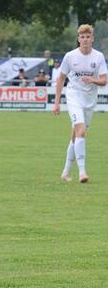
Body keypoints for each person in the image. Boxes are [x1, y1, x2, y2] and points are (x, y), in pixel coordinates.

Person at [54, 24, 107, 183]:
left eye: (88, 37)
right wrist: (56, 102)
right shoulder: (70, 56)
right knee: (81, 131)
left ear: (92, 39)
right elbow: (61, 78)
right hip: (74, 96)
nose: (85, 40)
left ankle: (65, 172)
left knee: (75, 136)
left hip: (90, 100)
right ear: (78, 39)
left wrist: (93, 80)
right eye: (82, 37)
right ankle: (82, 172)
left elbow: (104, 81)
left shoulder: (98, 57)